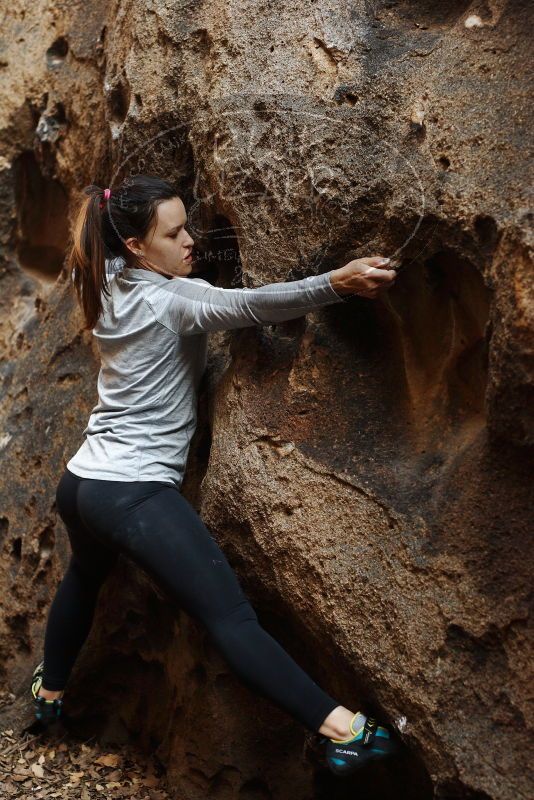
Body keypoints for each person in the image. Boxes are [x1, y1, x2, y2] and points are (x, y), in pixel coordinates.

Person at [30, 174, 399, 776]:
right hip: (132, 493)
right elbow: (252, 305)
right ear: (135, 247)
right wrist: (337, 282)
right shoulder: (171, 300)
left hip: (82, 484)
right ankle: (346, 732)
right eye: (174, 234)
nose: (191, 241)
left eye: (188, 227)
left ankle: (49, 697)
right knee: (230, 618)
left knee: (85, 575)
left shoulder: (105, 279)